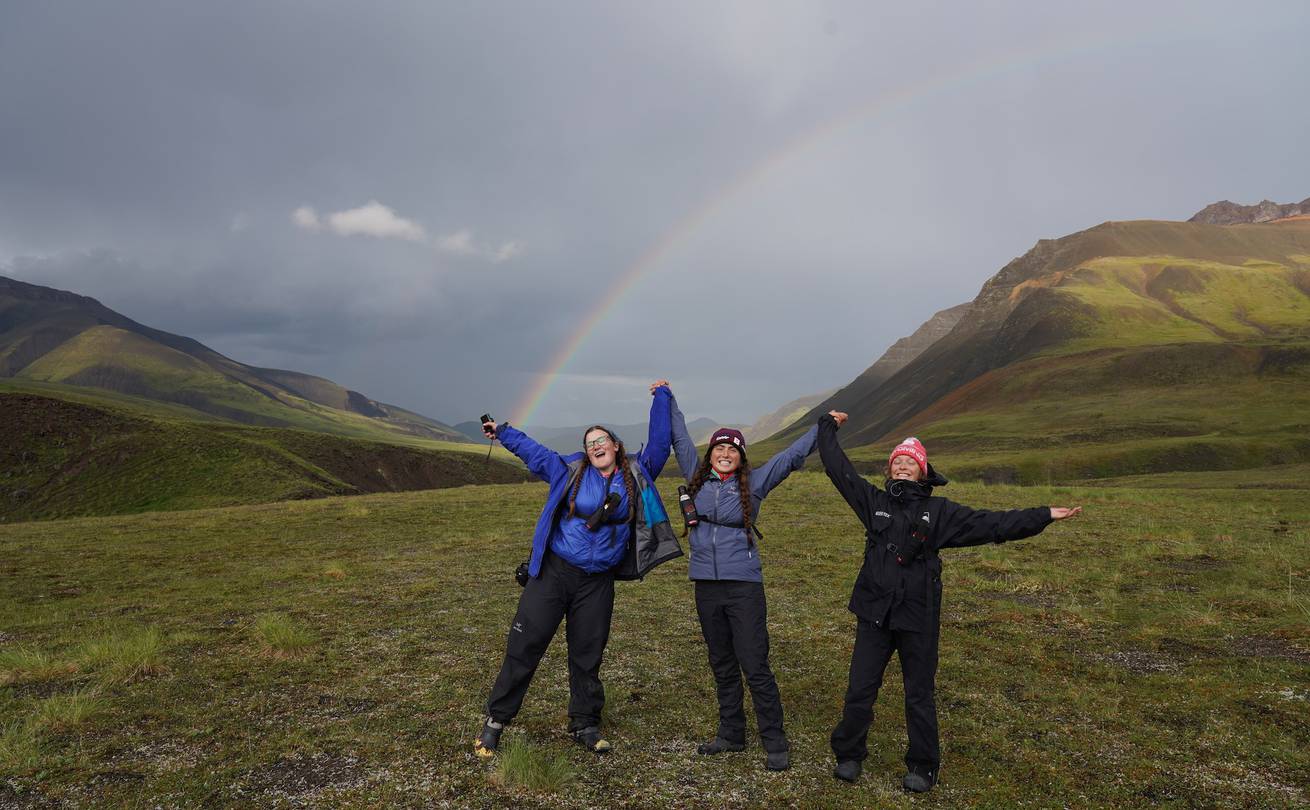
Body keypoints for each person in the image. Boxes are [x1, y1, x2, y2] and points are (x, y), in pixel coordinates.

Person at [817, 411, 1082, 792]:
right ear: (890, 471)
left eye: (911, 462)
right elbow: (836, 468)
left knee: (919, 693)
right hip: (874, 611)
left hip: (917, 615)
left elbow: (992, 523)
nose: (904, 466)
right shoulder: (872, 501)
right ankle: (849, 754)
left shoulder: (940, 512)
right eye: (898, 462)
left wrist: (1043, 516)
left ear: (923, 472)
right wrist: (827, 425)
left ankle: (923, 765)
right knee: (860, 687)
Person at [473, 383, 682, 757]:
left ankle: (585, 723)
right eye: (589, 442)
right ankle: (495, 722)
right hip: (555, 573)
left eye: (602, 439)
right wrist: (503, 432)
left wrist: (662, 397)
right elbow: (534, 454)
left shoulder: (637, 471)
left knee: (588, 653)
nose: (595, 445)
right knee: (525, 646)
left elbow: (660, 442)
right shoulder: (569, 471)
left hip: (597, 581)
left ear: (616, 445)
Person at [666, 384, 818, 771]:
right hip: (706, 586)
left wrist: (823, 428)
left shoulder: (756, 483)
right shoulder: (696, 478)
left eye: (733, 449)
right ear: (711, 453)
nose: (725, 453)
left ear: (741, 457)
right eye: (720, 448)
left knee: (754, 663)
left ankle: (774, 740)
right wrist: (667, 398)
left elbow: (790, 456)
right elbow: (680, 439)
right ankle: (731, 734)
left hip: (743, 586)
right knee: (721, 663)